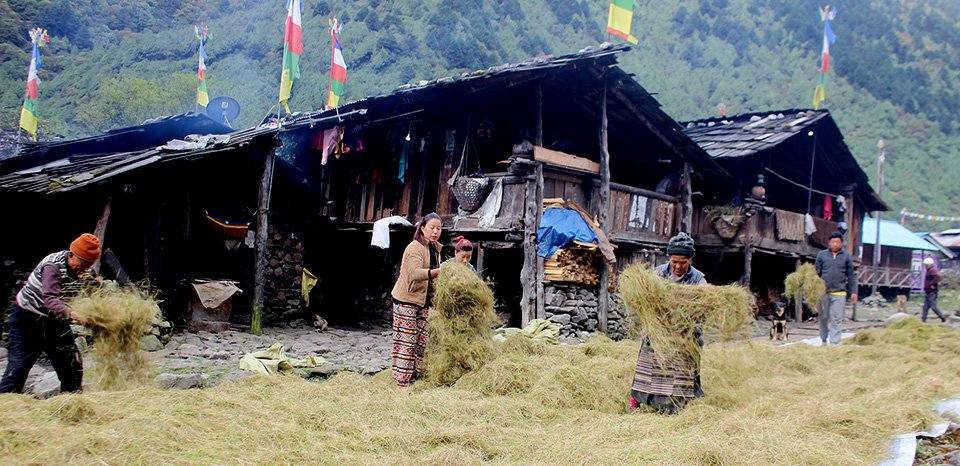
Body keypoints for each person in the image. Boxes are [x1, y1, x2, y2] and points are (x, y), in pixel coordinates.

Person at [0, 233, 100, 394]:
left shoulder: (85, 271)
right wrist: (75, 315)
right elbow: (50, 300)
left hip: (55, 320)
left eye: (89, 265)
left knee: (71, 365)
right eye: (82, 263)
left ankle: (71, 402)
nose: (84, 268)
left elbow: (96, 289)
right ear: (71, 255)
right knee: (18, 367)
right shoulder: (53, 267)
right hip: (28, 317)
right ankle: (6, 402)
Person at [630, 232, 707, 414]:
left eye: (683, 262)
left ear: (690, 260)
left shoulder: (698, 279)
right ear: (669, 259)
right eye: (674, 262)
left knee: (682, 369)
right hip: (659, 329)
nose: (678, 266)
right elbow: (646, 298)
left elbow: (704, 304)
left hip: (684, 333)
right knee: (649, 363)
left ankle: (677, 404)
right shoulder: (658, 274)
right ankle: (638, 398)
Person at [389, 213, 442, 388]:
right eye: (432, 227)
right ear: (423, 228)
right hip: (406, 300)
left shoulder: (435, 248)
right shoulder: (415, 248)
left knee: (421, 342)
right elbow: (414, 273)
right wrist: (435, 273)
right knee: (407, 342)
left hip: (423, 301)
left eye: (439, 228)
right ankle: (401, 382)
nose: (435, 231)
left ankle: (414, 377)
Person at [814, 231, 857, 345]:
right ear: (829, 243)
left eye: (837, 242)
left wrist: (853, 291)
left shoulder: (846, 257)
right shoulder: (822, 255)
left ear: (841, 243)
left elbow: (851, 276)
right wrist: (814, 291)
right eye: (833, 242)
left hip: (840, 293)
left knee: (836, 318)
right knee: (823, 317)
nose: (835, 244)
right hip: (823, 292)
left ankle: (834, 343)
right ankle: (823, 340)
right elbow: (816, 274)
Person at [921, 257, 947, 323]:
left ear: (929, 264)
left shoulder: (932, 270)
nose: (925, 266)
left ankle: (943, 318)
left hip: (932, 292)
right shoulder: (929, 270)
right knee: (925, 307)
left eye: (926, 265)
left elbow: (938, 276)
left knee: (933, 307)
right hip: (928, 292)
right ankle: (923, 320)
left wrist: (932, 284)